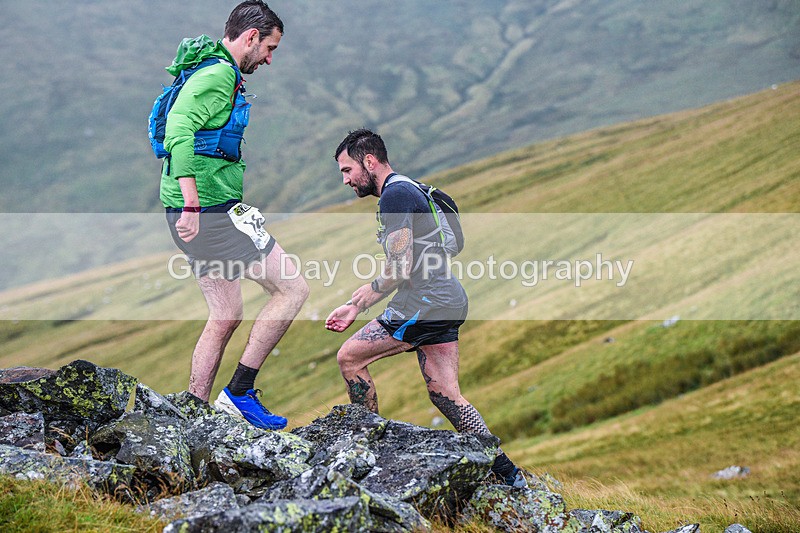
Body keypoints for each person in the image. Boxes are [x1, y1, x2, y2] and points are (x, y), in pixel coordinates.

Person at [325, 129, 526, 487]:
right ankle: (507, 473)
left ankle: (364, 450)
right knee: (445, 394)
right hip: (446, 298)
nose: (346, 180)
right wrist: (355, 305)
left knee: (350, 358)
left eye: (347, 170)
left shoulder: (395, 196)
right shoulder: (407, 186)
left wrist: (363, 298)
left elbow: (399, 268)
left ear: (369, 161)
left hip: (425, 304)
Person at [159, 1, 308, 429]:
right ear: (250, 37)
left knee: (225, 314)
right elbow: (178, 130)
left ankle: (193, 413)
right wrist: (192, 203)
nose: (270, 59)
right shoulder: (219, 74)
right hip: (207, 212)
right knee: (292, 288)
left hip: (192, 212)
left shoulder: (213, 67)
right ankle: (239, 393)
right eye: (269, 48)